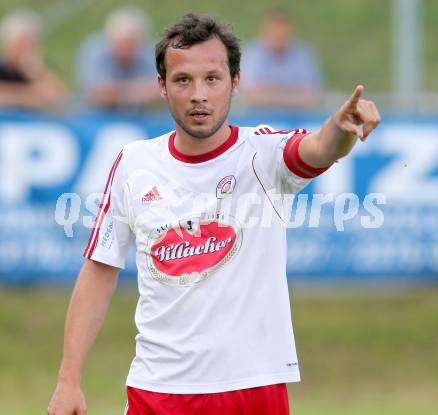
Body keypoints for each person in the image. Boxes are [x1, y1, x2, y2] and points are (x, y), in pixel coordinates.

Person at [48, 13, 380, 415]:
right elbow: (100, 269)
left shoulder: (264, 155)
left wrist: (341, 129)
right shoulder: (134, 162)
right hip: (157, 391)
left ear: (235, 82)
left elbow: (319, 147)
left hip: (253, 388)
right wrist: (68, 381)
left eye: (212, 78)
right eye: (183, 80)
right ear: (161, 86)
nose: (198, 94)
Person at [75, 6, 162, 111]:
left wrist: (117, 92)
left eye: (131, 44)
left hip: (141, 116)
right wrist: (138, 91)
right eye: (122, 44)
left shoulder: (149, 52)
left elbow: (160, 91)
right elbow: (95, 93)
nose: (126, 50)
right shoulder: (94, 50)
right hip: (97, 115)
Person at [241, 10, 324, 109]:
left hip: (297, 117)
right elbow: (249, 95)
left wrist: (270, 93)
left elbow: (314, 96)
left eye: (282, 34)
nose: (278, 36)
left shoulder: (303, 54)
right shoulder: (253, 53)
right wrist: (292, 94)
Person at [0, 9, 67, 110]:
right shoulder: (3, 68)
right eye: (22, 43)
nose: (27, 48)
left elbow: (60, 97)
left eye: (32, 43)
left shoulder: (39, 69)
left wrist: (36, 72)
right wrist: (30, 95)